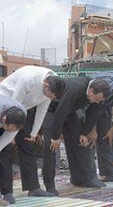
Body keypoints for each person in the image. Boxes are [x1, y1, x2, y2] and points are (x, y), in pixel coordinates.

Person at [0, 66, 65, 199]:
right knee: (5, 149)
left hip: (24, 108)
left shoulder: (53, 83)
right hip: (7, 105)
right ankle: (7, 192)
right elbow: (14, 108)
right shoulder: (27, 79)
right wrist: (6, 140)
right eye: (49, 95)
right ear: (45, 85)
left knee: (29, 144)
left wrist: (34, 133)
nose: (50, 98)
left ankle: (33, 187)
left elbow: (42, 109)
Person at [43, 77, 110, 191]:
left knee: (77, 139)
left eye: (99, 100)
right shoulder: (76, 88)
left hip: (69, 111)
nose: (97, 102)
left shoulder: (96, 95)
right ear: (91, 91)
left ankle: (80, 179)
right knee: (51, 145)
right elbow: (60, 113)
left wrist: (84, 133)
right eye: (96, 99)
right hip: (51, 108)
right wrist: (56, 136)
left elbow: (93, 113)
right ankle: (50, 186)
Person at [0, 95, 26, 205]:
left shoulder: (22, 113)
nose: (9, 132)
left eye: (12, 131)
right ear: (4, 120)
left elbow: (10, 132)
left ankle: (6, 192)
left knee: (5, 153)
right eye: (8, 129)